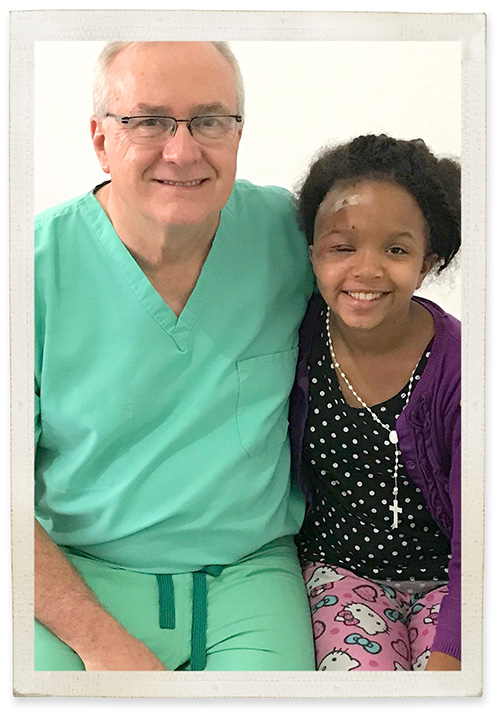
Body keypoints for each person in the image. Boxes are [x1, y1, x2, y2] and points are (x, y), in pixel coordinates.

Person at [34, 41, 315, 672]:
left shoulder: (293, 234)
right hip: (74, 577)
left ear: (239, 134)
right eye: (149, 120)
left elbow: (399, 322)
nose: (182, 150)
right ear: (101, 139)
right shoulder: (28, 270)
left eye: (210, 120)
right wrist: (104, 646)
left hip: (249, 574)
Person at [289, 134, 461, 671]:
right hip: (339, 574)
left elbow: (484, 530)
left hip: (448, 583)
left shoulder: (461, 370)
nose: (366, 270)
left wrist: (453, 653)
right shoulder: (299, 334)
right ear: (312, 254)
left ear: (427, 261)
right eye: (343, 247)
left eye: (396, 249)